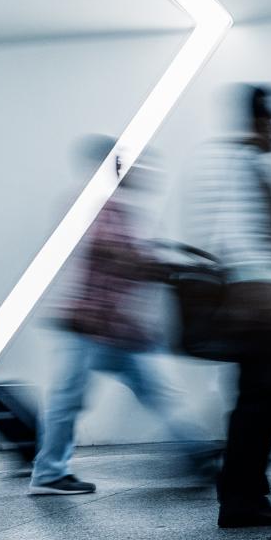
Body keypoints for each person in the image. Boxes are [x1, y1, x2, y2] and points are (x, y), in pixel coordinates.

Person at [29, 137, 209, 496]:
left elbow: (127, 256)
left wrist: (161, 262)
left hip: (115, 328)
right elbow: (115, 254)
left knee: (155, 391)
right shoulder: (94, 206)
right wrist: (164, 266)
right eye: (124, 164)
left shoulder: (114, 208)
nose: (133, 171)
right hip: (89, 324)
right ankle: (48, 474)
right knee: (69, 400)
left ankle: (197, 450)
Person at [187, 86, 271, 527]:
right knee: (258, 403)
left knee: (253, 402)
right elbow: (242, 235)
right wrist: (268, 288)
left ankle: (243, 488)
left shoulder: (237, 163)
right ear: (261, 122)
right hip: (257, 302)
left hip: (254, 298)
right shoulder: (245, 166)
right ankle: (241, 499)